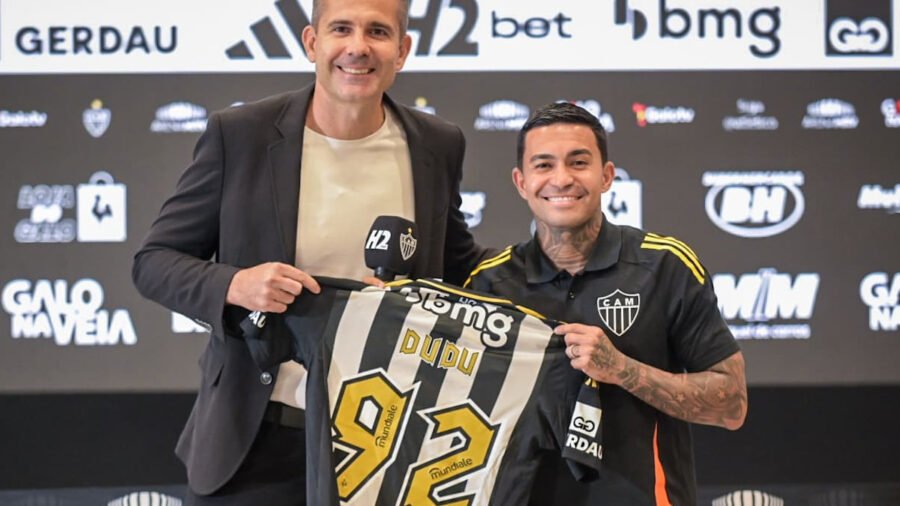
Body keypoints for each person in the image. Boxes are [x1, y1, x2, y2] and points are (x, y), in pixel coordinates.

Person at [131, 0, 485, 504]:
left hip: (390, 443)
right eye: (341, 29)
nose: (358, 48)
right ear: (312, 42)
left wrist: (557, 262)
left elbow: (459, 265)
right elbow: (154, 261)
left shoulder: (436, 145)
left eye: (378, 32)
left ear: (402, 50)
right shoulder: (242, 135)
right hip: (260, 439)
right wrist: (236, 285)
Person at [464, 102, 748, 505]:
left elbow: (732, 404)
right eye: (544, 165)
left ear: (607, 175)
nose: (562, 178)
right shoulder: (488, 283)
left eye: (578, 162)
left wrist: (621, 369)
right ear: (521, 182)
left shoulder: (664, 266)